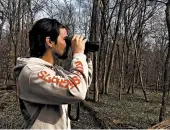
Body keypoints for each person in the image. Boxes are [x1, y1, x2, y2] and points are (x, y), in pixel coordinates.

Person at [13, 18, 93, 129]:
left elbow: (83, 84)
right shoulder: (32, 73)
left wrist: (85, 57)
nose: (68, 44)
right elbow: (77, 90)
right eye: (65, 39)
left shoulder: (55, 70)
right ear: (49, 41)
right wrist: (78, 55)